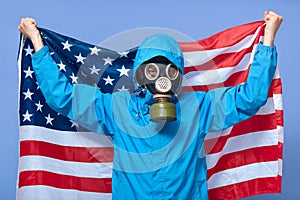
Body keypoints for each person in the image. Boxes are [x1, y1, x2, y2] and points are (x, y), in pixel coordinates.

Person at [18, 11, 283, 200]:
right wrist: (37, 44)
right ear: (140, 73)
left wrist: (268, 39)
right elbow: (62, 97)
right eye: (152, 70)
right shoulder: (117, 108)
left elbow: (250, 98)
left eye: (169, 70)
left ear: (179, 73)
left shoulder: (198, 107)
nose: (161, 79)